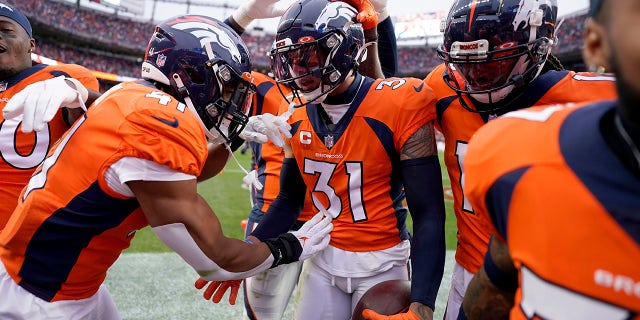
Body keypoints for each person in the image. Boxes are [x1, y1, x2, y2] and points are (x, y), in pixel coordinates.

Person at [0, 15, 333, 319]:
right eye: (227, 88)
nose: (231, 102)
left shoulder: (131, 96)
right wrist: (292, 246)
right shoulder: (158, 125)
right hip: (40, 299)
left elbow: (192, 173)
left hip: (64, 281)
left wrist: (230, 136)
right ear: (191, 75)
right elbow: (218, 262)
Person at [413, 1, 618, 319]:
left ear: (536, 49)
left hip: (556, 283)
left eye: (492, 63)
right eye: (465, 62)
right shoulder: (442, 87)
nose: (476, 76)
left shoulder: (595, 100)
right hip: (469, 272)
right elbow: (388, 106)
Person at [243, 0, 446, 319]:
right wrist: (247, 253)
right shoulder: (295, 116)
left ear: (347, 49)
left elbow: (428, 214)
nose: (299, 71)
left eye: (309, 57)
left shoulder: (399, 102)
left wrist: (422, 304)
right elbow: (288, 201)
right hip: (322, 262)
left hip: (383, 265)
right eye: (291, 60)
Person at [0, 2, 101, 228]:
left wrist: (79, 95)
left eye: (6, 30)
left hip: (27, 240)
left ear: (31, 45)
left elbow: (105, 124)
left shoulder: (62, 77)